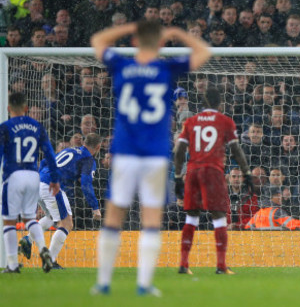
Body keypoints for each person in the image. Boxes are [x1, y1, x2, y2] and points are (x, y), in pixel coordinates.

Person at [90, 20, 210, 296]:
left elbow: (98, 39)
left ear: (134, 41)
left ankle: (103, 283)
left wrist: (128, 28)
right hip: (155, 154)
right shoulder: (166, 69)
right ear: (160, 43)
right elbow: (203, 52)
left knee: (114, 216)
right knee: (151, 218)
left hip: (125, 151)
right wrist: (178, 33)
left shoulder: (121, 65)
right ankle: (144, 285)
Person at [173, 86, 254, 275]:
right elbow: (236, 151)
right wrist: (247, 173)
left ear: (202, 103)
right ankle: (221, 265)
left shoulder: (191, 121)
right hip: (213, 171)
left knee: (191, 217)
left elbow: (179, 152)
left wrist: (177, 177)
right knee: (219, 217)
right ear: (219, 103)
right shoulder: (225, 121)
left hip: (193, 171)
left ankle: (184, 264)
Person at [0, 92, 61, 273]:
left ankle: (12, 264)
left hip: (14, 175)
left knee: (9, 221)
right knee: (30, 218)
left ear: (8, 108)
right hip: (33, 176)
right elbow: (50, 153)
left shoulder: (4, 127)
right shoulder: (37, 127)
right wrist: (55, 179)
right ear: (26, 108)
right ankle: (43, 249)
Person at [18, 133, 102, 269]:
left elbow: (46, 161)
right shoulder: (88, 159)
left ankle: (28, 239)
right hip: (53, 186)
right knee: (67, 224)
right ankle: (50, 261)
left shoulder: (70, 149)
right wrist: (95, 207)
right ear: (98, 147)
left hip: (39, 182)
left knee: (51, 218)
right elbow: (86, 184)